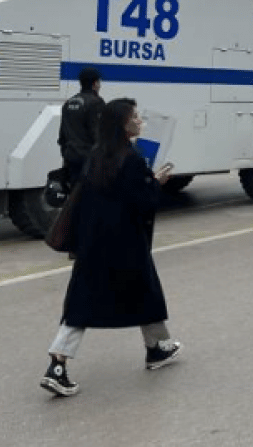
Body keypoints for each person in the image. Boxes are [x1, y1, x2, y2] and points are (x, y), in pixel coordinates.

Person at [40, 98, 179, 398]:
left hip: (94, 243)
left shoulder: (96, 155)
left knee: (82, 305)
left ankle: (59, 364)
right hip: (126, 244)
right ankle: (155, 349)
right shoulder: (132, 159)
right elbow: (143, 201)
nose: (140, 120)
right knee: (144, 292)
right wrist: (157, 182)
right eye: (135, 116)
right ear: (123, 124)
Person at [57, 66, 104, 184]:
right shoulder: (96, 103)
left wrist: (66, 153)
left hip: (70, 157)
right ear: (95, 84)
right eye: (99, 82)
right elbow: (98, 134)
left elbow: (62, 135)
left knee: (74, 190)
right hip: (88, 159)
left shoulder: (68, 103)